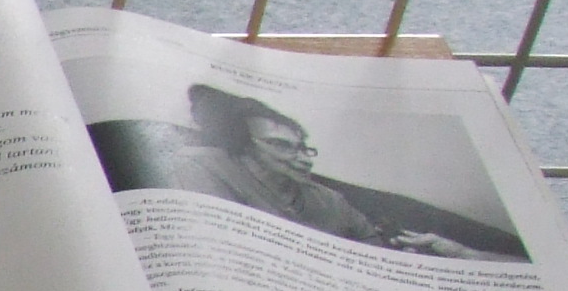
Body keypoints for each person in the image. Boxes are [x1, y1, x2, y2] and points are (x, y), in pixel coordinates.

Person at [88, 83, 526, 258]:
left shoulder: (328, 199)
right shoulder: (200, 166)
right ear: (245, 145)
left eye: (302, 147)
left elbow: (369, 242)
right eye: (281, 146)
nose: (300, 157)